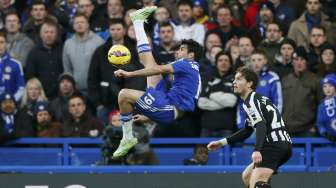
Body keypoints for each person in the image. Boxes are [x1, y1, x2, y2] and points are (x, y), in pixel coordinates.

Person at [112, 6, 203, 158]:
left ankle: (127, 137)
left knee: (123, 94)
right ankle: (138, 21)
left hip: (167, 108)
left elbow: (158, 69)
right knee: (147, 61)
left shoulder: (187, 64)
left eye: (181, 49)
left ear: (191, 55)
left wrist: (129, 74)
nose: (177, 52)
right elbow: (183, 108)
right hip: (168, 104)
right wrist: (150, 115)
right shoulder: (192, 70)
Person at [207, 66, 292, 188]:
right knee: (247, 176)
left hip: (273, 145)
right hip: (283, 144)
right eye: (234, 79)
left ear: (249, 83)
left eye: (239, 79)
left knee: (256, 183)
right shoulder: (258, 99)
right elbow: (247, 130)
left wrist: (257, 149)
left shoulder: (250, 102)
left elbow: (260, 125)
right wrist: (222, 143)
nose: (234, 82)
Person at [316, 74, 336, 142]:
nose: (327, 89)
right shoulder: (321, 105)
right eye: (325, 86)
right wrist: (325, 134)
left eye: (330, 86)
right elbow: (320, 123)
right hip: (328, 142)